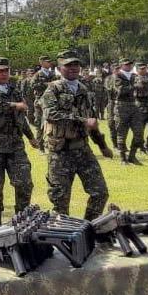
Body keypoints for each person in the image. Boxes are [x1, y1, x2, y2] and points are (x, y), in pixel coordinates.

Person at [38, 53, 109, 220]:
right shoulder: (52, 89)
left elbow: (92, 122)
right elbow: (51, 114)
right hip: (60, 153)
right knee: (60, 201)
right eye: (68, 66)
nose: (73, 68)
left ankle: (89, 227)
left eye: (76, 65)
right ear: (60, 68)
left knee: (100, 192)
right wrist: (82, 121)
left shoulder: (84, 90)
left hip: (83, 150)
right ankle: (65, 237)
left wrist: (102, 146)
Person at [0, 57, 39, 226]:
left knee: (25, 184)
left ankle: (21, 220)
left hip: (15, 147)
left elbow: (21, 118)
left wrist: (31, 137)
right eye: (0, 71)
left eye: (6, 70)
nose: (4, 74)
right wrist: (13, 105)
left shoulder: (14, 90)